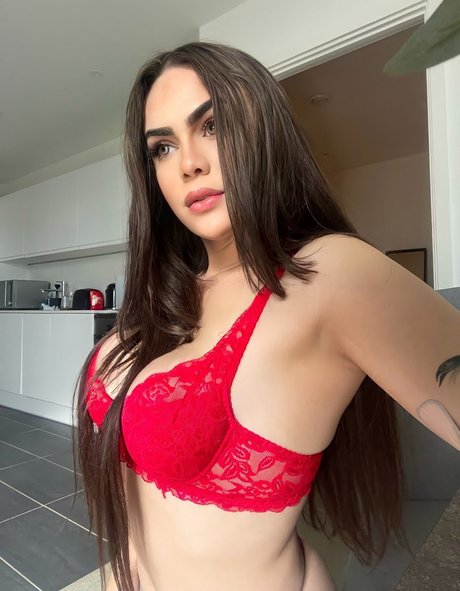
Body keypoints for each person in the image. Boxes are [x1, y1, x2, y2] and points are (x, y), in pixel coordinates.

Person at [73, 41, 460, 591]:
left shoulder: (332, 275)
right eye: (162, 147)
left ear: (265, 131)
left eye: (213, 126)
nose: (188, 163)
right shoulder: (164, 296)